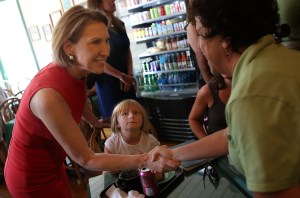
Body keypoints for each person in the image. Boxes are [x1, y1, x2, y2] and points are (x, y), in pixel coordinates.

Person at [4, 6, 179, 197]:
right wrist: (146, 159)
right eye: (95, 42)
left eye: (106, 41)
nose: (105, 50)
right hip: (30, 176)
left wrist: (92, 120)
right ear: (68, 47)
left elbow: (79, 97)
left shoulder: (77, 69)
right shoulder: (48, 96)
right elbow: (86, 159)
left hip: (54, 163)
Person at [156, 0, 300, 197]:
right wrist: (173, 154)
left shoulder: (251, 95)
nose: (198, 45)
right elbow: (230, 136)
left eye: (200, 34)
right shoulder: (282, 59)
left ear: (224, 38)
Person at [86, 0, 136, 119]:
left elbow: (127, 51)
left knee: (133, 116)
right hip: (108, 81)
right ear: (98, 3)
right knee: (118, 121)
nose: (114, 0)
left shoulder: (119, 24)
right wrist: (121, 76)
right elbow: (98, 59)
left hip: (126, 80)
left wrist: (129, 73)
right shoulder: (94, 29)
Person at [188, 73, 231, 139]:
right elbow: (193, 119)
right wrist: (205, 141)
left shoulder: (250, 87)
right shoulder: (207, 91)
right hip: (218, 146)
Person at [185, 0, 212, 85]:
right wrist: (210, 84)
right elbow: (199, 55)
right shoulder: (192, 26)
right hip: (208, 77)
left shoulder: (204, 21)